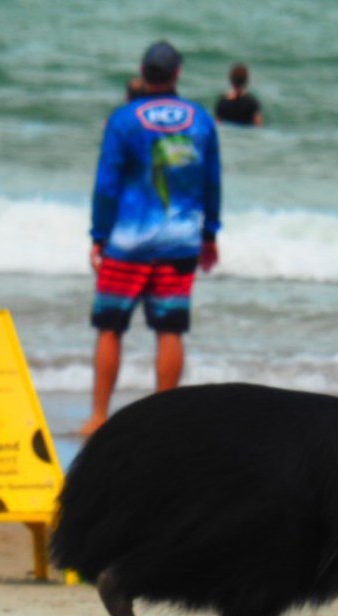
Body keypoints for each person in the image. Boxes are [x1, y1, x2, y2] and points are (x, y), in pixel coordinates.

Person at [83, 40, 221, 436]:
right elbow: (211, 182)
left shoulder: (124, 120)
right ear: (178, 73)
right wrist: (210, 234)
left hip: (128, 242)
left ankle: (98, 417)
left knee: (110, 327)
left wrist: (99, 235)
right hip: (180, 241)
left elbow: (107, 184)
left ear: (143, 73)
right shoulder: (201, 120)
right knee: (170, 330)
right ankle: (164, 424)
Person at [214, 62, 263, 127]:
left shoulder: (223, 102)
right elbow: (258, 126)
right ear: (246, 81)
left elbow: (217, 125)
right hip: (247, 133)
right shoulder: (252, 103)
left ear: (230, 80)